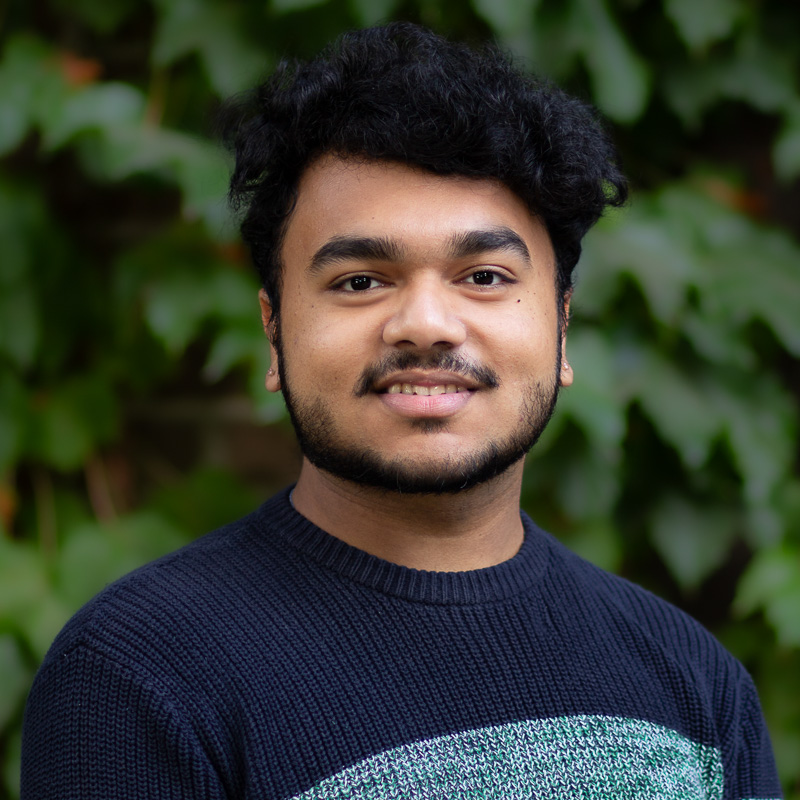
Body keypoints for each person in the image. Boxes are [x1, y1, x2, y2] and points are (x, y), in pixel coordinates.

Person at [21, 22, 782, 800]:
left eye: (483, 276)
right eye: (360, 281)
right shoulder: (137, 678)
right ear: (274, 332)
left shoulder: (692, 684)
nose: (425, 323)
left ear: (561, 327)